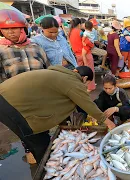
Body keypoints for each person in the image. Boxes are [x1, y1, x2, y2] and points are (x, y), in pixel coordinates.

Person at [0, 66, 116, 163]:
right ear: (84, 78)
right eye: (86, 84)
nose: (85, 87)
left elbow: (54, 99)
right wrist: (109, 123)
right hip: (10, 106)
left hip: (6, 96)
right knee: (38, 141)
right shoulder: (72, 81)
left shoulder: (59, 73)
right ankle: (48, 168)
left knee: (40, 136)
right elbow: (88, 105)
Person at [0, 9, 50, 164]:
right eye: (6, 29)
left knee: (44, 130)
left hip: (40, 98)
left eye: (15, 28)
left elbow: (48, 70)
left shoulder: (36, 47)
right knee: (27, 134)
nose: (11, 32)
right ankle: (30, 150)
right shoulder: (1, 51)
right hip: (17, 102)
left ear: (24, 28)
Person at [69, 19, 95, 92]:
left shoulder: (70, 32)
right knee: (90, 71)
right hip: (86, 54)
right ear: (79, 24)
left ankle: (80, 87)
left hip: (77, 55)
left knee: (80, 73)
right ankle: (90, 87)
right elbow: (88, 42)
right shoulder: (80, 32)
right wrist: (92, 45)